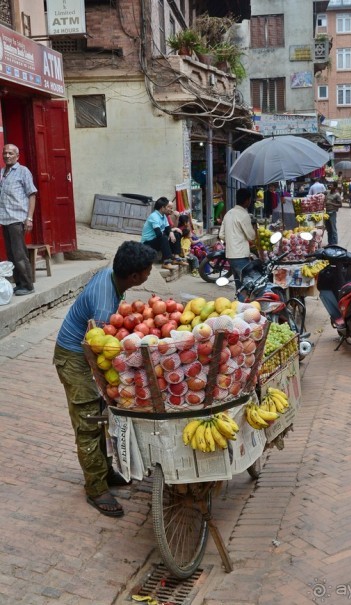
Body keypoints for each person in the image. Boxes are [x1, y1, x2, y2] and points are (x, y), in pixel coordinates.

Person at [53, 241, 156, 517]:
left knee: (100, 414)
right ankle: (96, 488)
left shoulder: (113, 279)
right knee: (88, 421)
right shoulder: (102, 304)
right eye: (147, 271)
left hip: (88, 354)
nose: (149, 274)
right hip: (75, 358)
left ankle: (106, 471)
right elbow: (103, 355)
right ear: (134, 276)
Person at [0, 144, 37, 296]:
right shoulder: (3, 172)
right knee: (11, 254)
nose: (7, 156)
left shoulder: (23, 171)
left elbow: (32, 194)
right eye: (5, 153)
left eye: (10, 153)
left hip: (17, 219)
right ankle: (19, 283)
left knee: (19, 253)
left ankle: (28, 286)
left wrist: (29, 218)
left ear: (17, 156)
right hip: (5, 219)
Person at [219, 188, 256, 300]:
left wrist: (232, 239)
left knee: (239, 285)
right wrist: (254, 228)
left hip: (230, 255)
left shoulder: (228, 213)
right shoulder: (244, 215)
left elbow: (221, 235)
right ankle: (243, 307)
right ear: (247, 201)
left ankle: (239, 307)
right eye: (249, 200)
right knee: (246, 285)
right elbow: (251, 236)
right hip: (240, 255)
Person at [141, 197, 187, 269]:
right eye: (168, 207)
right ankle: (166, 262)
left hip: (157, 240)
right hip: (148, 243)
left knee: (176, 235)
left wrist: (171, 233)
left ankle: (176, 258)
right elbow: (159, 234)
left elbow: (168, 228)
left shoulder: (163, 216)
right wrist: (168, 235)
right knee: (163, 237)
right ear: (162, 208)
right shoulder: (154, 216)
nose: (170, 209)